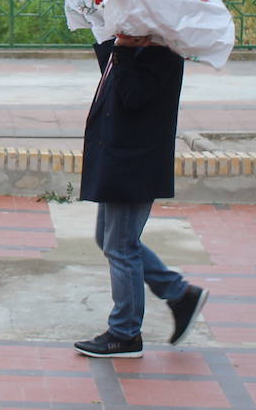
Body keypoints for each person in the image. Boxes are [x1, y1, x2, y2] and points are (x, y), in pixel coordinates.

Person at [72, 33, 207, 359]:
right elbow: (114, 76)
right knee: (111, 241)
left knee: (121, 245)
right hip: (119, 156)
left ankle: (125, 333)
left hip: (134, 162)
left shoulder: (163, 51)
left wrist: (124, 50)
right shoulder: (137, 46)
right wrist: (112, 43)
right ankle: (179, 293)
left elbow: (132, 95)